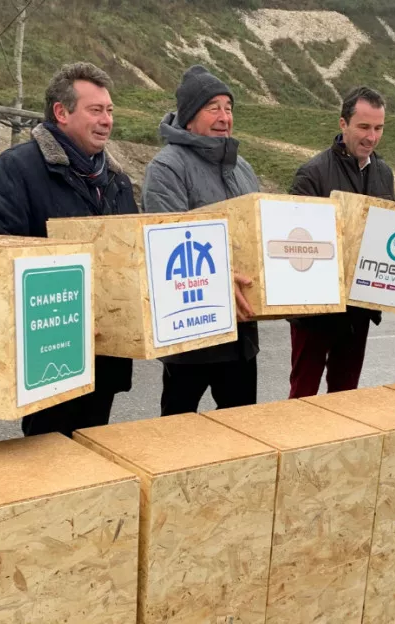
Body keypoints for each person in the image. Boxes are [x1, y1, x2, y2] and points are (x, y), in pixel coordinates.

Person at [0, 62, 137, 437]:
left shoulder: (117, 180)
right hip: (49, 358)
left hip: (105, 357)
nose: (106, 120)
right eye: (95, 110)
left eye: (109, 110)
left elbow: (132, 259)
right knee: (47, 466)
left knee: (92, 461)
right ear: (61, 113)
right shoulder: (15, 171)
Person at [142, 65, 258, 416]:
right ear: (190, 118)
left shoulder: (244, 168)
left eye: (229, 107)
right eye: (213, 108)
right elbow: (169, 249)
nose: (224, 117)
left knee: (241, 436)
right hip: (191, 333)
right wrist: (220, 279)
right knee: (177, 437)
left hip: (241, 336)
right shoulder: (166, 168)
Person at [287, 86, 395, 398]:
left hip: (358, 308)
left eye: (378, 128)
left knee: (346, 395)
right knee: (303, 393)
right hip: (314, 309)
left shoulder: (384, 173)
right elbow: (296, 243)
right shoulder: (312, 173)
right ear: (343, 124)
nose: (371, 137)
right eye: (363, 127)